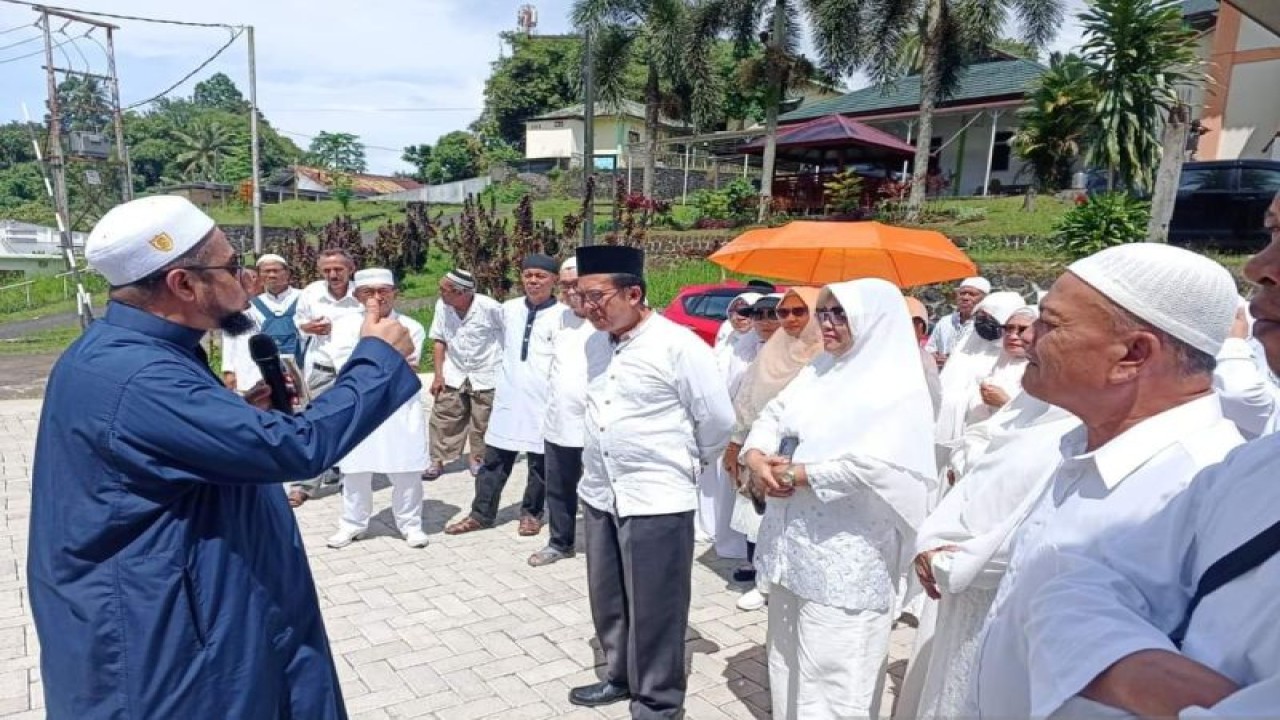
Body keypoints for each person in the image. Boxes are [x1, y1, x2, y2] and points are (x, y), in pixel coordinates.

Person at [27, 195, 418, 718]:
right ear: (183, 284)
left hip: (198, 607)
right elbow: (296, 450)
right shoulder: (139, 375)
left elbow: (164, 447)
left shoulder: (131, 352)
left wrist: (233, 415)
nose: (248, 280)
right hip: (166, 643)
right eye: (233, 267)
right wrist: (378, 361)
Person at [1013, 202, 1280, 718]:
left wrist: (1104, 657)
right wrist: (1159, 681)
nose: (1257, 268)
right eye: (1271, 232)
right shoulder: (1246, 474)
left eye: (1052, 324)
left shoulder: (1198, 463)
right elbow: (1065, 596)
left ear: (1133, 355)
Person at [968, 243, 1245, 718]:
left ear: (1133, 354)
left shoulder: (1210, 489)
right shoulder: (1082, 444)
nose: (1025, 336)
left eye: (1050, 325)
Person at [743, 278, 937, 719]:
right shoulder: (820, 369)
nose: (827, 325)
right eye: (824, 313)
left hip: (847, 552)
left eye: (840, 315)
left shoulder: (897, 385)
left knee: (837, 668)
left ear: (872, 322)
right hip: (793, 544)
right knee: (789, 659)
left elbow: (879, 465)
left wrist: (798, 473)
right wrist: (756, 457)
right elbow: (774, 415)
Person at [568, 245, 735, 717]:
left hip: (657, 496)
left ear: (634, 293)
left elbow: (718, 420)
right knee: (609, 598)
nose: (588, 308)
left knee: (656, 607)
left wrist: (684, 462)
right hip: (601, 492)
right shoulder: (595, 343)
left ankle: (658, 701)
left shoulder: (679, 345)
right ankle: (619, 675)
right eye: (582, 297)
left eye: (597, 297)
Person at [898, 390, 1080, 719]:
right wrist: (931, 544)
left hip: (1002, 602)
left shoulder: (1087, 434)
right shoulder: (1032, 404)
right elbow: (980, 442)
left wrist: (949, 561)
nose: (1025, 338)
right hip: (959, 594)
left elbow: (1041, 532)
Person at [724, 287, 823, 612]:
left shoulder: (826, 354)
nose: (790, 320)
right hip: (764, 443)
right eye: (785, 312)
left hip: (810, 451)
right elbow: (751, 399)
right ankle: (762, 578)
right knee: (759, 516)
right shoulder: (773, 350)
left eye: (800, 312)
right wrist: (738, 443)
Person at [317, 268, 431, 550]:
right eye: (369, 292)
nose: (377, 298)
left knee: (407, 470)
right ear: (357, 296)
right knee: (355, 471)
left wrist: (375, 360)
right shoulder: (342, 326)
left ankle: (410, 524)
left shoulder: (410, 326)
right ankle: (352, 524)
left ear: (394, 293)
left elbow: (407, 365)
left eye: (383, 291)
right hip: (360, 407)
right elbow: (346, 366)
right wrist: (386, 359)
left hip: (399, 406)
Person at [446, 254, 560, 536]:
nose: (533, 281)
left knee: (539, 464)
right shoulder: (507, 309)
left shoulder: (564, 316)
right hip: (509, 398)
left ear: (554, 280)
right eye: (528, 275)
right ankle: (481, 514)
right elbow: (471, 313)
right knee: (493, 461)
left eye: (540, 276)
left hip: (543, 401)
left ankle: (532, 514)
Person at [529, 257, 596, 567]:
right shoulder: (556, 319)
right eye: (565, 285)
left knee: (600, 491)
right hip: (559, 422)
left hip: (597, 426)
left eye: (575, 285)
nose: (570, 292)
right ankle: (560, 542)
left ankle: (604, 546)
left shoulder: (606, 320)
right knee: (559, 490)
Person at [934, 291, 1027, 482]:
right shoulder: (967, 343)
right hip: (949, 440)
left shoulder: (1018, 358)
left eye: (991, 317)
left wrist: (1003, 402)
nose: (984, 322)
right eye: (980, 316)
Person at [698, 291, 765, 550]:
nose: (740, 317)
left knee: (739, 485)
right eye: (735, 311)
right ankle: (718, 532)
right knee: (720, 482)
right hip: (722, 422)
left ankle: (739, 544)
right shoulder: (728, 341)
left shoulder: (759, 346)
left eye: (747, 311)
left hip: (746, 426)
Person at [424, 269, 504, 479]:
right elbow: (439, 340)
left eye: (444, 290)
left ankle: (477, 459)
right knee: (443, 416)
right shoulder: (443, 306)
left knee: (482, 421)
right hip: (455, 370)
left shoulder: (490, 308)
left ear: (461, 292)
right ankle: (437, 460)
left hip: (486, 371)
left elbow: (509, 336)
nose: (440, 293)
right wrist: (438, 375)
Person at [294, 247, 363, 377]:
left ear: (351, 269)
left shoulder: (363, 295)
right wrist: (307, 328)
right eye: (326, 271)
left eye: (338, 269)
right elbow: (299, 323)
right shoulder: (311, 293)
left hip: (357, 371)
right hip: (321, 371)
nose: (332, 275)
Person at [925, 276, 990, 365]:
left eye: (972, 294)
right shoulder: (945, 321)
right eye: (962, 293)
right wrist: (933, 356)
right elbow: (930, 348)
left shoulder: (987, 325)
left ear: (984, 299)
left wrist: (953, 361)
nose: (965, 298)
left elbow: (987, 357)